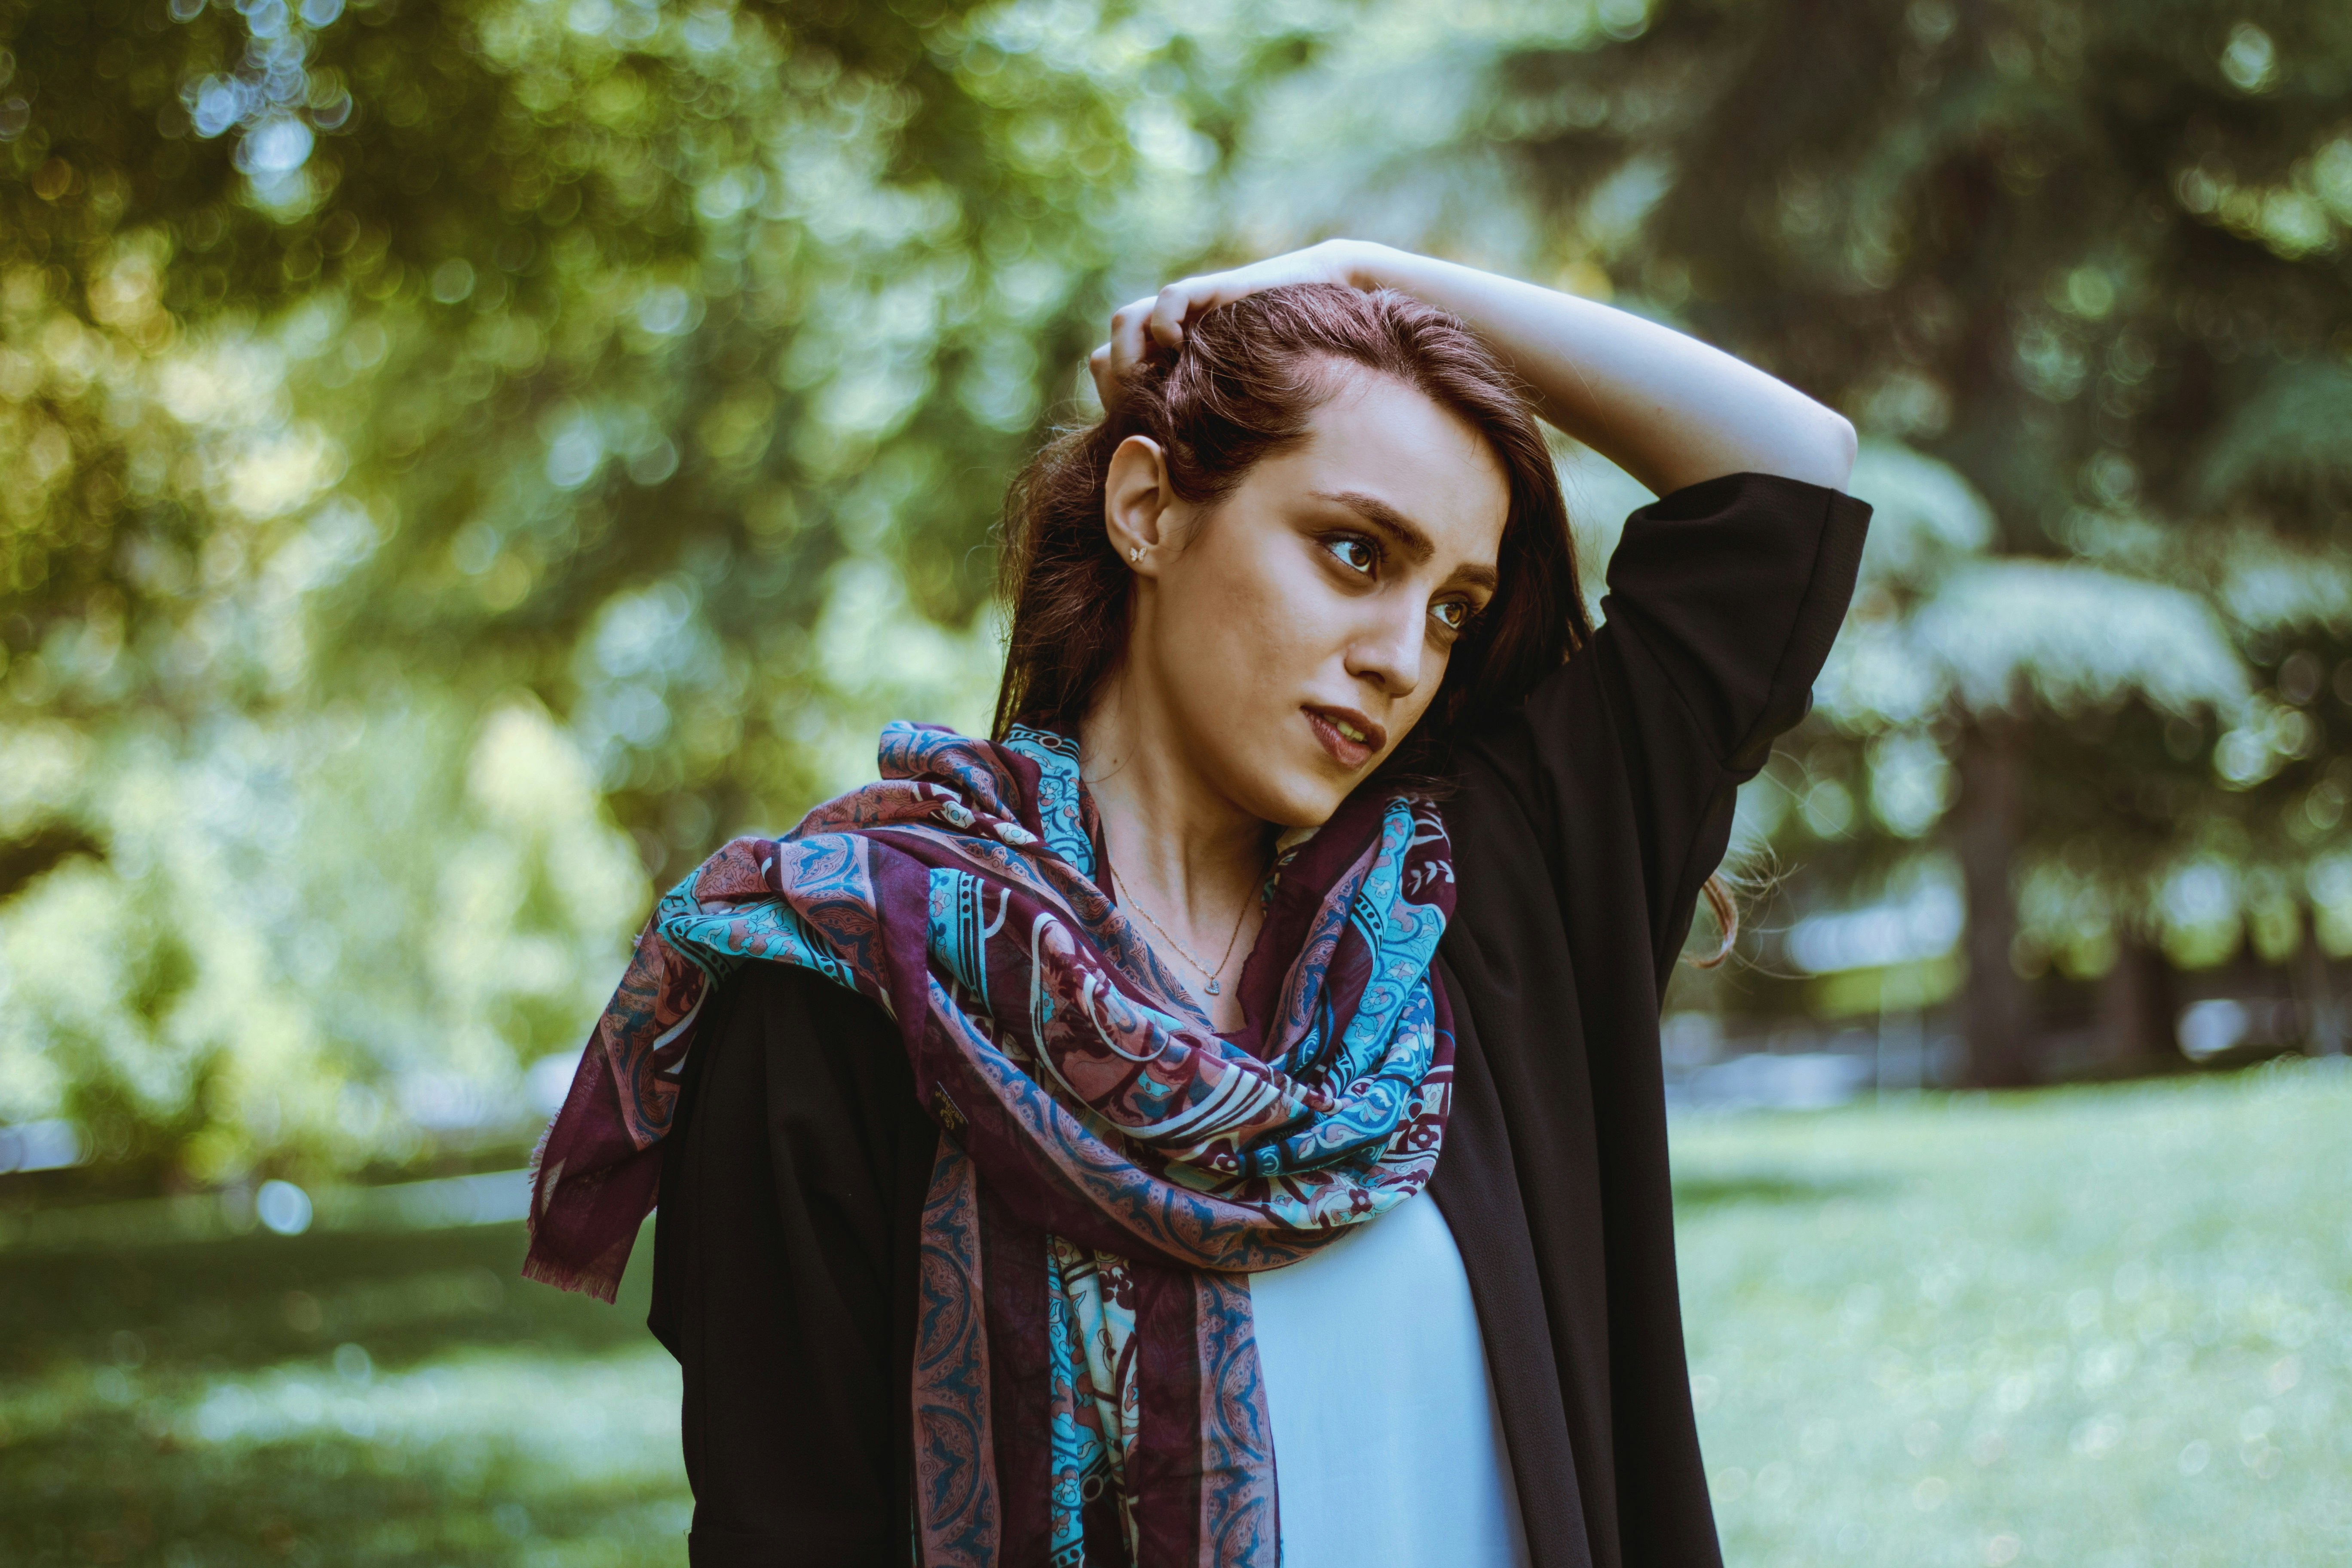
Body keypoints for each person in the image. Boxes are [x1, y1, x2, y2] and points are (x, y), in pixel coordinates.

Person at [523, 239, 1868, 1568]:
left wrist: (1368, 271)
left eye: (1454, 609)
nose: (1402, 659)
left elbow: (1787, 473)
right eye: (1354, 552)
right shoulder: (862, 985)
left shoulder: (1475, 910)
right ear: (1149, 509)